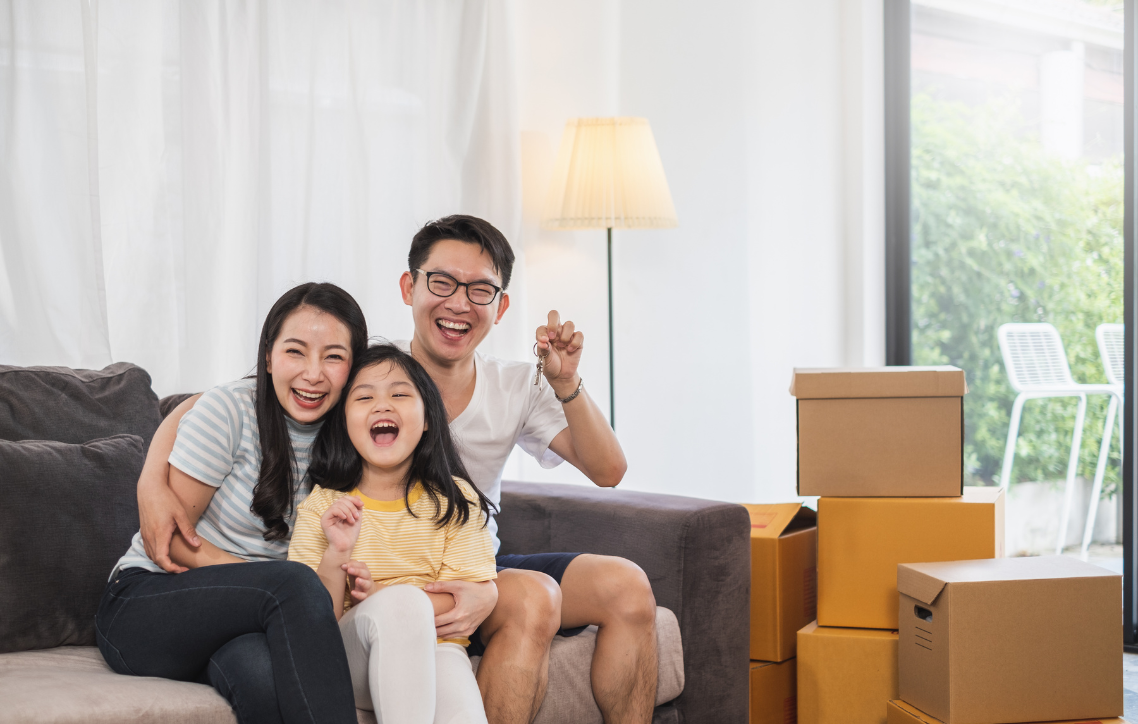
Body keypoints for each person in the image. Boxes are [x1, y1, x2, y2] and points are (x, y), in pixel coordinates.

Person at [398, 215, 658, 724]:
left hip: (481, 565)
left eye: (480, 289)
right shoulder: (371, 374)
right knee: (534, 597)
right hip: (399, 573)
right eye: (442, 282)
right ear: (410, 287)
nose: (458, 303)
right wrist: (188, 413)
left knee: (628, 586)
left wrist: (567, 384)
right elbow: (267, 392)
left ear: (501, 305)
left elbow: (608, 470)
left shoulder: (517, 385)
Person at [95, 283, 368, 724]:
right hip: (145, 603)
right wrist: (266, 582)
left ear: (354, 366)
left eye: (334, 357)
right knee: (297, 584)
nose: (313, 373)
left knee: (263, 678)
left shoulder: (352, 434)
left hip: (242, 626)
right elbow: (169, 542)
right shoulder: (231, 411)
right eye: (295, 351)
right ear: (268, 356)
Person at [287, 344, 497, 724]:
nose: (382, 405)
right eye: (364, 397)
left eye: (400, 394)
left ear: (428, 418)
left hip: (440, 647)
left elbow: (465, 602)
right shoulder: (324, 507)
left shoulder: (456, 499)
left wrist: (384, 594)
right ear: (345, 420)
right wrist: (337, 555)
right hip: (350, 657)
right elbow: (313, 625)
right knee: (402, 607)